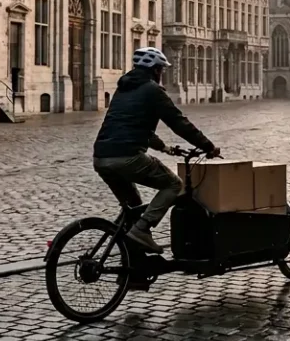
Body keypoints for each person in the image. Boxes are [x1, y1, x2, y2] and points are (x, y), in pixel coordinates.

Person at [92, 47, 220, 253]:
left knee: (132, 207)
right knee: (174, 185)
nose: (162, 74)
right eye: (161, 70)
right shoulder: (153, 90)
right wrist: (208, 146)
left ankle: (134, 267)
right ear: (155, 70)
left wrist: (164, 147)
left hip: (101, 158)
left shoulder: (123, 89)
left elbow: (136, 126)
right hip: (126, 156)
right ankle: (142, 229)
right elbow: (178, 122)